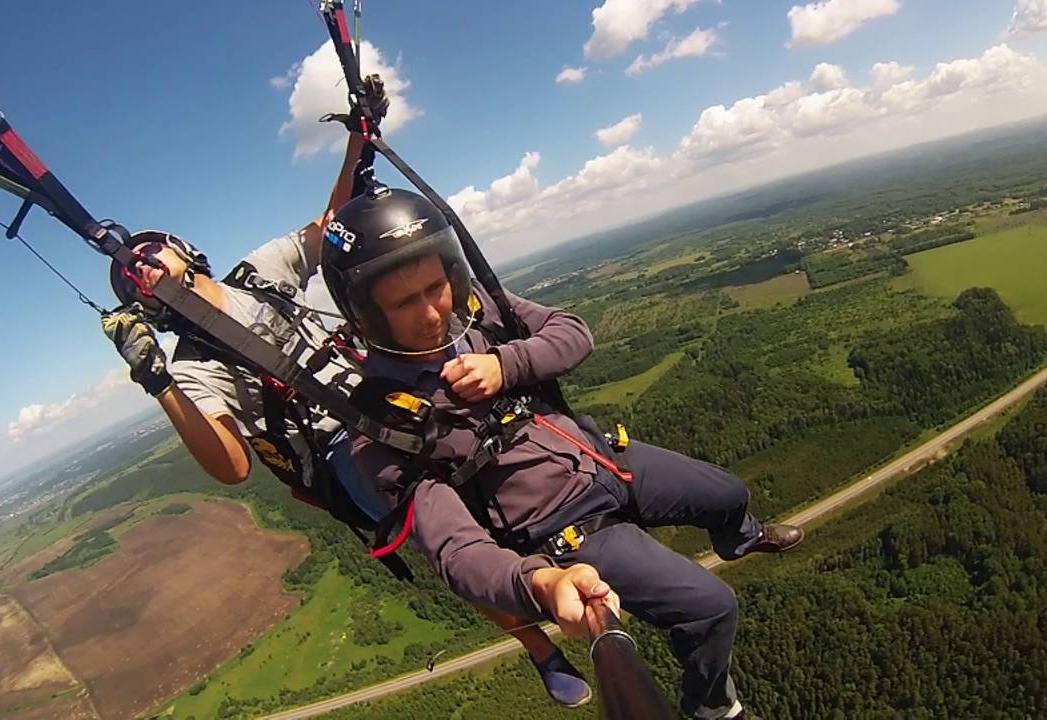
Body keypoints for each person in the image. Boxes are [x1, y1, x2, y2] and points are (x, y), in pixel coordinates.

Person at [98, 79, 592, 708]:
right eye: (129, 274)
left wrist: (358, 140)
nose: (140, 266)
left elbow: (333, 231)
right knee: (431, 519)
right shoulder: (193, 366)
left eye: (144, 253)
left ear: (180, 250)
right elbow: (232, 466)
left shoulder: (259, 273)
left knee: (500, 393)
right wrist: (159, 382)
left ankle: (593, 501)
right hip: (340, 439)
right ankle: (538, 643)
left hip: (380, 374)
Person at [321, 186, 804, 720]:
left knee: (730, 494)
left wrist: (508, 365)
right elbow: (454, 550)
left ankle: (739, 537)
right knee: (713, 607)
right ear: (365, 313)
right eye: (404, 302)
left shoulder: (478, 311)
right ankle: (711, 705)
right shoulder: (381, 421)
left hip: (603, 461)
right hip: (564, 529)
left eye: (436, 287)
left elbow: (573, 333)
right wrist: (539, 581)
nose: (432, 313)